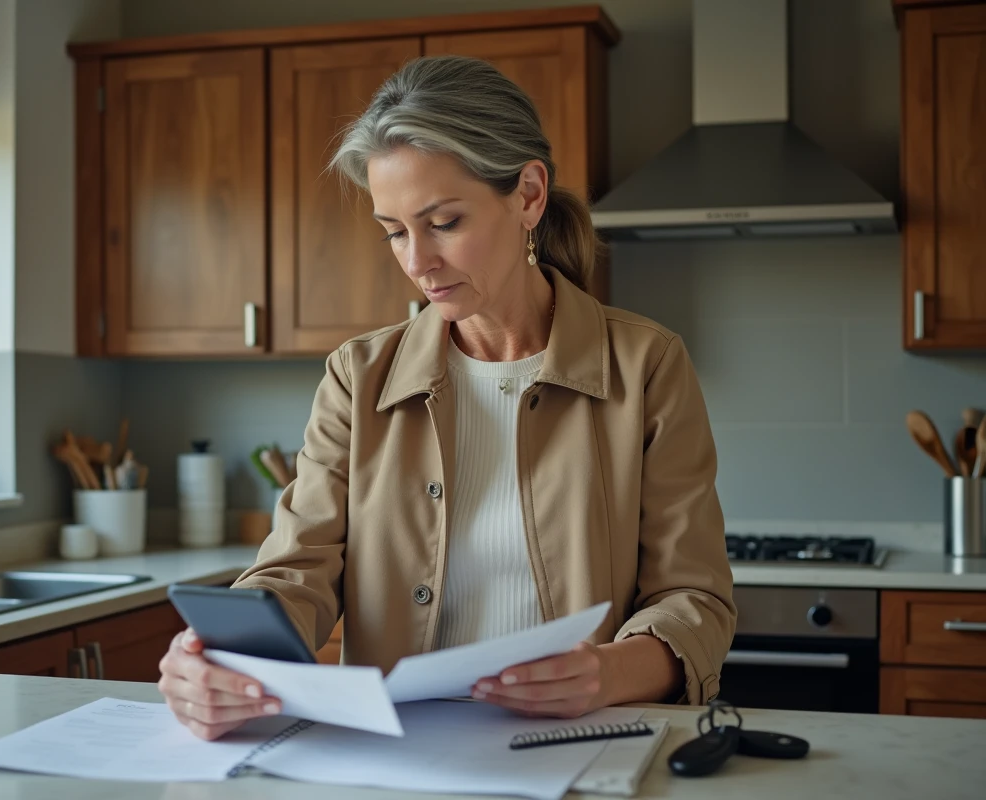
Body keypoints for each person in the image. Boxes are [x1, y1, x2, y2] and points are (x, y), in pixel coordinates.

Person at [159, 55, 736, 741]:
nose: (416, 261)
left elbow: (693, 598)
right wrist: (218, 660)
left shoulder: (645, 366)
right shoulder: (357, 375)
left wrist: (608, 672)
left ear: (527, 194)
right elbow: (297, 569)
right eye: (395, 231)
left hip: (580, 749)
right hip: (398, 759)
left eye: (444, 222)